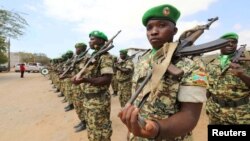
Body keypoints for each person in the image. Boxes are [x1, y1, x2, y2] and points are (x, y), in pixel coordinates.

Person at [118, 4, 208, 141]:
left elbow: (190, 116)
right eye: (149, 28)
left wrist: (156, 129)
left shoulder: (192, 62)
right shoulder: (143, 59)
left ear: (174, 30)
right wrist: (132, 132)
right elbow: (137, 100)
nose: (153, 31)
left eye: (162, 25)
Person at [72, 30, 113, 141]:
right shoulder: (93, 56)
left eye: (92, 39)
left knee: (101, 132)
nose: (89, 41)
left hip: (99, 100)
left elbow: (106, 79)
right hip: (89, 99)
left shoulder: (105, 57)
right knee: (92, 129)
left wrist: (84, 80)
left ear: (100, 41)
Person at [206, 32, 250, 124]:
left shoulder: (247, 62)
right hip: (215, 112)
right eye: (226, 41)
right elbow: (209, 88)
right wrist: (208, 105)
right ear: (219, 45)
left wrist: (242, 75)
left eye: (234, 42)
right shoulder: (211, 64)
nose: (230, 44)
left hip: (240, 114)